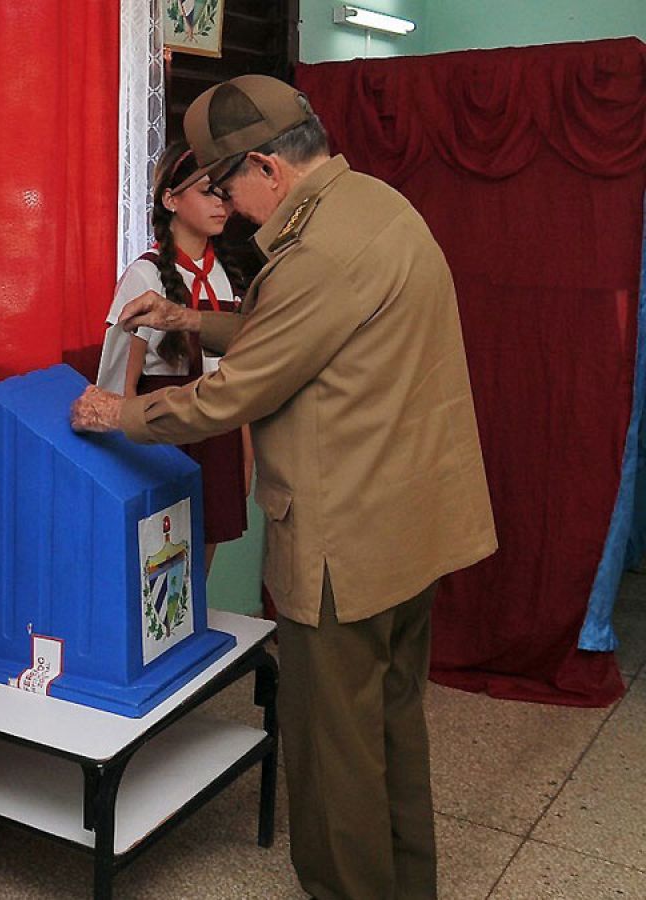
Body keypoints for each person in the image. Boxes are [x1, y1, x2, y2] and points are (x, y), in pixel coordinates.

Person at [70, 74, 497, 900]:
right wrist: (191, 319)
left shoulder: (319, 253)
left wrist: (120, 412)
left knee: (332, 755)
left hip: (346, 544)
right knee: (390, 727)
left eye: (229, 184)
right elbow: (302, 328)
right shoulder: (374, 205)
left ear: (267, 165)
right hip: (412, 529)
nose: (230, 204)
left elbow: (236, 393)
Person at [96, 140, 253, 570]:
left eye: (225, 193)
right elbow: (121, 384)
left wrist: (245, 453)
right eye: (207, 192)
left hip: (217, 426)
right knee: (158, 562)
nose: (221, 204)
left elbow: (239, 375)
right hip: (163, 429)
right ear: (171, 199)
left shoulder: (226, 276)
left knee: (202, 557)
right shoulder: (145, 274)